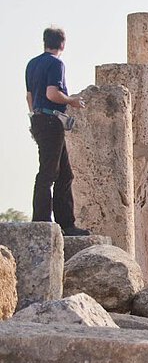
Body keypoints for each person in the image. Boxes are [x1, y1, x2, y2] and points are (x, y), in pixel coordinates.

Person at [25, 27, 89, 237]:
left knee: (64, 173)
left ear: (45, 42)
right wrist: (72, 101)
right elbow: (52, 93)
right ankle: (42, 221)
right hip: (51, 121)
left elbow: (30, 97)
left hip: (39, 118)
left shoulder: (32, 63)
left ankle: (65, 224)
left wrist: (36, 118)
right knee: (49, 173)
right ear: (63, 44)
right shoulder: (56, 63)